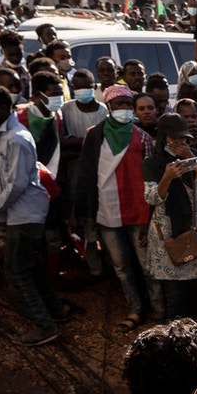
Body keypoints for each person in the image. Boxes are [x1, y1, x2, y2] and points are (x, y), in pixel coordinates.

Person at [0, 86, 64, 345]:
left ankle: (44, 325)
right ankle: (55, 309)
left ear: (3, 109)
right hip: (23, 212)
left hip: (24, 213)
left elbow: (16, 184)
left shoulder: (16, 138)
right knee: (28, 266)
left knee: (17, 272)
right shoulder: (7, 135)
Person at [75, 85, 159, 332]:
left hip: (139, 211)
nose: (122, 109)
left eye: (126, 104)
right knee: (121, 266)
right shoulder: (93, 135)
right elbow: (87, 173)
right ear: (108, 107)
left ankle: (160, 311)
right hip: (108, 211)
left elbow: (151, 177)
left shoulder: (142, 137)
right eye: (117, 105)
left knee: (148, 266)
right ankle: (135, 310)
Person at [142, 113, 197, 317]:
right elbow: (151, 198)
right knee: (174, 295)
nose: (179, 142)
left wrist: (192, 158)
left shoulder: (193, 155)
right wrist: (167, 177)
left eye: (183, 138)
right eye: (173, 138)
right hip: (167, 235)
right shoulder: (152, 163)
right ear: (163, 137)